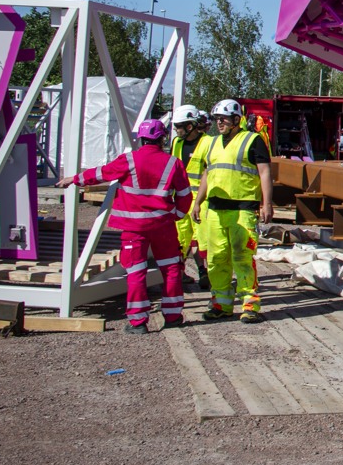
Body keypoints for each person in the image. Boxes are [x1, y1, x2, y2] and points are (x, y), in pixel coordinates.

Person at [55, 119, 191, 333]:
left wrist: (75, 179)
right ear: (162, 138)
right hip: (163, 226)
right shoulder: (173, 162)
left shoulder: (128, 160)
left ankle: (138, 323)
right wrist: (177, 215)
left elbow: (101, 173)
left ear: (141, 138)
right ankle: (173, 316)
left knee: (137, 271)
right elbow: (184, 196)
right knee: (171, 268)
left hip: (134, 228)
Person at [192, 98, 273, 323]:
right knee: (217, 259)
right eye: (217, 119)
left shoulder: (252, 140)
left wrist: (266, 203)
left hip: (242, 209)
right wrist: (198, 201)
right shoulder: (213, 143)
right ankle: (221, 304)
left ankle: (250, 305)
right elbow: (208, 173)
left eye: (224, 119)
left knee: (242, 258)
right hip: (216, 209)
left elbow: (265, 172)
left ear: (237, 120)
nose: (220, 123)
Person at [169, 104, 213, 290]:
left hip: (200, 201)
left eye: (179, 126)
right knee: (179, 239)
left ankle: (206, 273)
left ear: (190, 126)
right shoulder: (177, 143)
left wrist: (199, 201)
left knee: (202, 239)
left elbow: (209, 173)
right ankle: (178, 273)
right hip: (180, 199)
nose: (176, 130)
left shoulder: (208, 143)